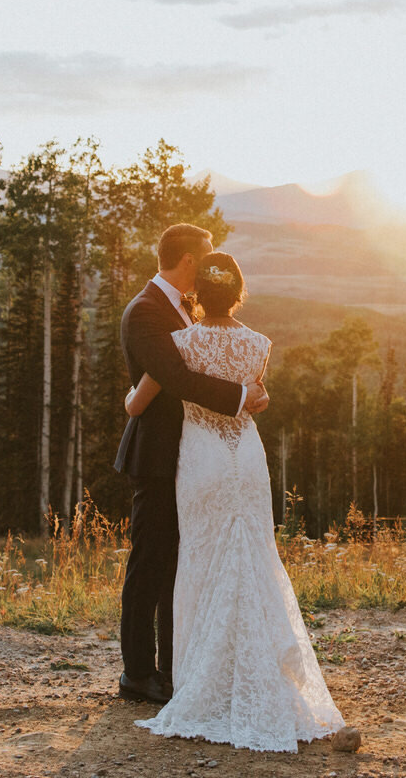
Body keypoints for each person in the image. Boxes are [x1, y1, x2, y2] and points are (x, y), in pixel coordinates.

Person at [125, 251, 346, 753]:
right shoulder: (259, 345)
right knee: (254, 559)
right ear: (239, 291)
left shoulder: (181, 343)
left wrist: (128, 400)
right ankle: (263, 673)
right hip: (246, 459)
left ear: (199, 292)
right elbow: (257, 400)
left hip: (201, 462)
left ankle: (205, 678)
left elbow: (139, 402)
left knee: (200, 563)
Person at [114, 224, 270, 705]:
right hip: (158, 456)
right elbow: (176, 377)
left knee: (181, 564)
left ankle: (175, 667)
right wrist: (243, 396)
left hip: (194, 453)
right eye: (202, 262)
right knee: (149, 564)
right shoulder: (144, 312)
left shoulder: (184, 310)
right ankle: (137, 674)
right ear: (187, 262)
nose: (206, 270)